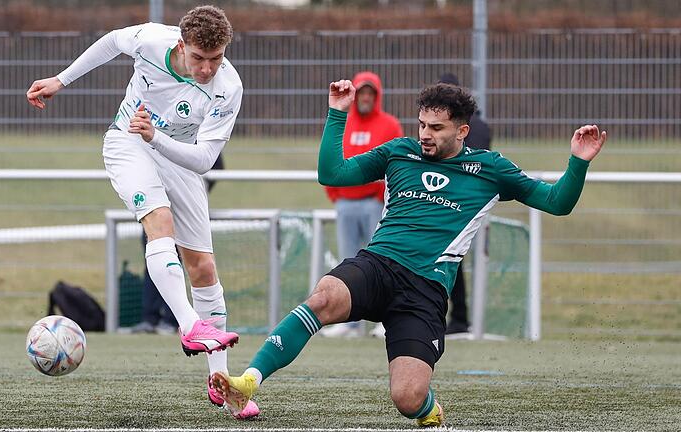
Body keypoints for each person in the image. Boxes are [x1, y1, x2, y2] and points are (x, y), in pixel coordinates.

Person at [211, 81, 606, 427]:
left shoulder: (490, 170)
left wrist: (578, 162)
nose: (425, 134)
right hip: (379, 264)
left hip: (425, 291)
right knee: (323, 297)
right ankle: (249, 381)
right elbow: (333, 174)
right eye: (422, 125)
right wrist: (337, 115)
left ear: (462, 130)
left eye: (436, 128)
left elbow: (557, 203)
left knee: (407, 398)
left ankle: (428, 409)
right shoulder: (399, 152)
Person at [26, 6, 259, 418]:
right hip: (127, 142)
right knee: (159, 224)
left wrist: (158, 137)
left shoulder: (229, 86)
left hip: (179, 157)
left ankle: (220, 383)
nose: (207, 69)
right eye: (199, 58)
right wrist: (60, 80)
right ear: (181, 45)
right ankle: (189, 326)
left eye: (216, 58)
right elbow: (112, 42)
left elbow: (204, 158)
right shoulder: (151, 39)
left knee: (203, 268)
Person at [321, 71, 402, 338]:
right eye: (362, 93)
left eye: (371, 93)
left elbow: (397, 164)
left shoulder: (389, 125)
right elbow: (332, 156)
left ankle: (385, 320)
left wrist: (381, 199)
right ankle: (349, 321)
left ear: (377, 96)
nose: (366, 98)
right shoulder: (345, 121)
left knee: (383, 261)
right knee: (349, 262)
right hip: (346, 204)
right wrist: (336, 195)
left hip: (374, 205)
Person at [131, 154, 224, 336]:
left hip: (184, 208)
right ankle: (150, 317)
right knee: (154, 258)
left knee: (190, 264)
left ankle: (175, 320)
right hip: (157, 203)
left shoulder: (195, 133)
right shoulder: (155, 134)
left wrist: (192, 192)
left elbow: (214, 164)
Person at [437, 73, 492, 335]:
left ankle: (458, 318)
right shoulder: (481, 124)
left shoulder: (474, 127)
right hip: (476, 203)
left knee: (448, 259)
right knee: (454, 260)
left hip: (454, 204)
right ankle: (460, 318)